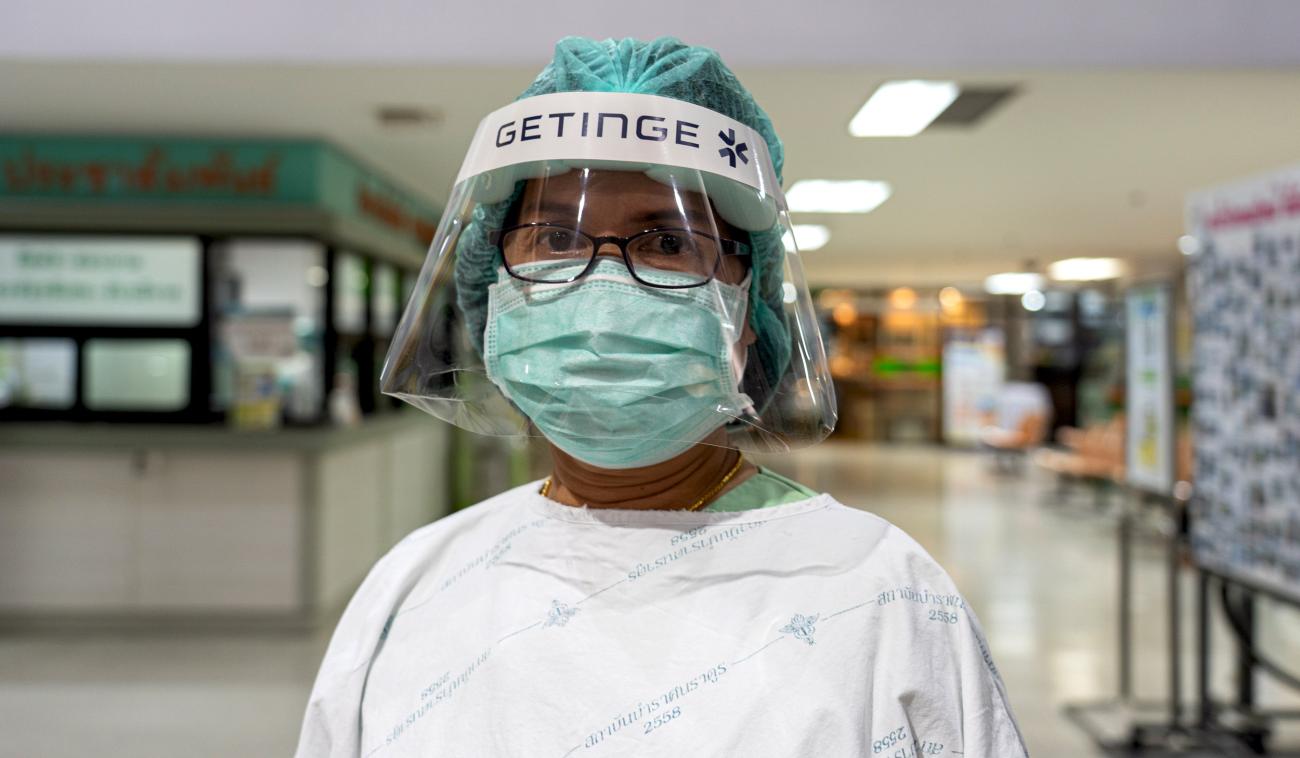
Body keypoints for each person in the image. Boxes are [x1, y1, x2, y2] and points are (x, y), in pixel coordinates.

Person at [296, 37, 1028, 757]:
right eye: (555, 236)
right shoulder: (414, 585)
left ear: (745, 317)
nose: (603, 289)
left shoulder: (882, 594)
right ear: (492, 291)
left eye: (667, 243)